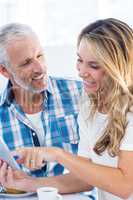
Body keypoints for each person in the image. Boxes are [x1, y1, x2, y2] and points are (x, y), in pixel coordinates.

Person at [2, 17, 133, 199]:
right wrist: (27, 183)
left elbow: (125, 185)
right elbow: (88, 174)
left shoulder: (83, 96)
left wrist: (57, 154)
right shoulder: (90, 107)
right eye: (80, 60)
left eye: (93, 65)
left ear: (117, 67)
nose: (81, 72)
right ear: (4, 71)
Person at [0, 23, 86, 189]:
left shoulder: (80, 93)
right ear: (4, 71)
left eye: (40, 56)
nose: (40, 68)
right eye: (26, 63)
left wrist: (34, 184)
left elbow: (100, 170)